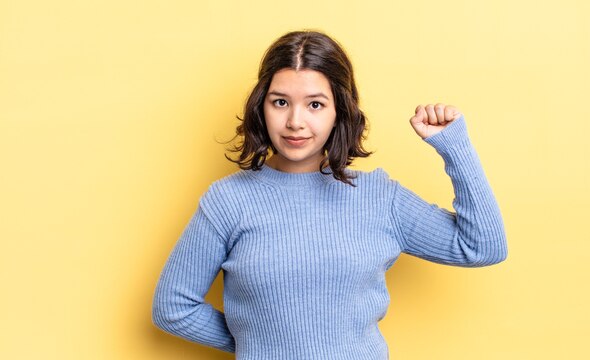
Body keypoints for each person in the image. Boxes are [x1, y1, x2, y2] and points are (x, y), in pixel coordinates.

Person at [151, 30, 507, 359]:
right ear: (261, 106)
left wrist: (454, 147)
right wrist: (257, 340)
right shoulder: (228, 201)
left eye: (315, 105)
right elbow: (172, 307)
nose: (295, 122)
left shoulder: (379, 198)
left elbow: (482, 247)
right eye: (280, 102)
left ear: (340, 111)